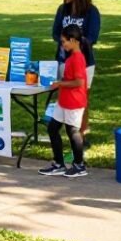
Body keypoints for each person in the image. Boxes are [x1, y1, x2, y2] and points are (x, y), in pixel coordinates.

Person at [51, 0, 101, 141]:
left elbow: (92, 36)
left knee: (82, 98)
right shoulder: (62, 9)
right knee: (64, 95)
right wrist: (64, 43)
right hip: (63, 60)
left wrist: (75, 44)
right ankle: (66, 132)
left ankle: (81, 134)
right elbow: (55, 32)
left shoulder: (91, 11)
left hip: (84, 62)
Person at [39, 25, 89, 178]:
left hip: (74, 101)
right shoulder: (71, 57)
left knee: (73, 131)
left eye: (64, 42)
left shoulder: (78, 58)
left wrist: (59, 84)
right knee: (53, 128)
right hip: (64, 100)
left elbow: (79, 82)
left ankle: (79, 165)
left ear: (73, 40)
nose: (63, 45)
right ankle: (59, 163)